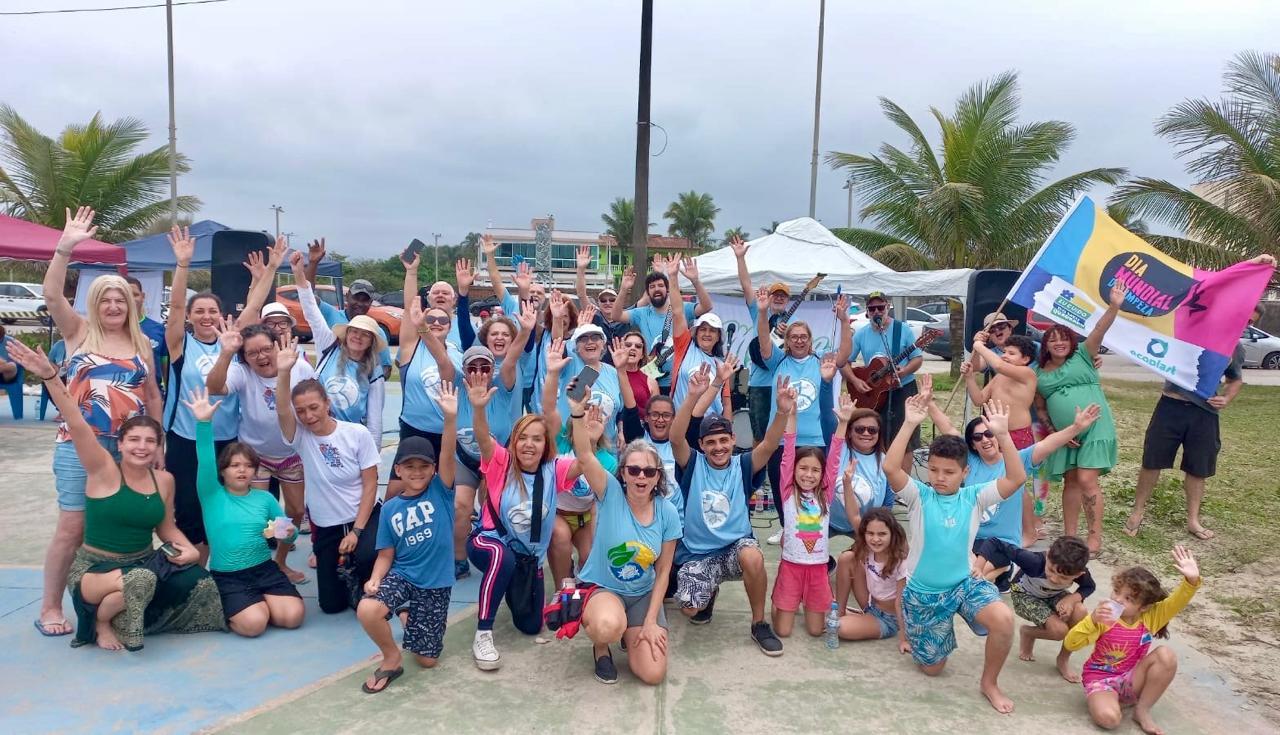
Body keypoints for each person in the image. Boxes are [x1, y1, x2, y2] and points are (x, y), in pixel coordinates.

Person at [8, 339, 224, 650]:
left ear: (158, 447)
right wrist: (50, 377)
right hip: (97, 570)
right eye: (133, 439)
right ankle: (99, 620)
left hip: (143, 562)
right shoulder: (103, 470)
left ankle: (128, 612)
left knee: (200, 582)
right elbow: (77, 422)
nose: (141, 447)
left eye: (150, 441)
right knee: (141, 582)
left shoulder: (164, 480)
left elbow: (167, 529)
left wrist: (186, 549)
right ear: (119, 444)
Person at [36, 206, 163, 638]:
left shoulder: (142, 342)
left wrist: (157, 445)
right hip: (79, 444)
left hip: (128, 450)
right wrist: (65, 246)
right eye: (105, 299)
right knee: (72, 526)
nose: (113, 305)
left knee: (110, 528)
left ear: (130, 304)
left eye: (120, 299)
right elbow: (52, 295)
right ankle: (51, 606)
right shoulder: (78, 331)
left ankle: (107, 601)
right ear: (95, 303)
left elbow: (152, 396)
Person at [884, 396, 1026, 714]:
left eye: (948, 471)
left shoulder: (975, 496)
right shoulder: (919, 495)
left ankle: (989, 683)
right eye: (933, 469)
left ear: (965, 473)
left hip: (963, 585)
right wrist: (909, 423)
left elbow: (1016, 479)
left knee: (1004, 619)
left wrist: (1003, 436)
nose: (939, 477)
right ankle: (928, 635)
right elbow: (891, 467)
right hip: (924, 595)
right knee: (934, 668)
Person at [1126, 256, 1276, 540]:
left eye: (1250, 321)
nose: (1243, 322)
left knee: (1198, 468)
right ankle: (1137, 511)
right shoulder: (1193, 328)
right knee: (1152, 461)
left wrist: (1228, 398)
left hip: (1205, 413)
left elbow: (1235, 379)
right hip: (1170, 406)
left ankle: (1193, 520)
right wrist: (1255, 263)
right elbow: (1210, 286)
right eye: (1242, 314)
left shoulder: (1234, 348)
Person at [165, 227, 281, 563]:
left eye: (212, 311)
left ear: (221, 315)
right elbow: (173, 308)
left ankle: (233, 562)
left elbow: (255, 306)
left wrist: (270, 270)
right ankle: (195, 570)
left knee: (230, 503)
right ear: (190, 316)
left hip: (227, 440)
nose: (205, 317)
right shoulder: (180, 343)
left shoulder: (230, 339)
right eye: (198, 311)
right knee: (189, 507)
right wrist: (183, 264)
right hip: (187, 439)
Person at [670, 364, 792, 656]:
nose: (718, 447)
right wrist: (691, 397)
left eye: (723, 440)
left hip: (735, 548)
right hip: (698, 553)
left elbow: (771, 444)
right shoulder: (692, 464)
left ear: (733, 440)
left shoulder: (743, 464)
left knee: (753, 557)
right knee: (689, 608)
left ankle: (758, 623)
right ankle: (708, 593)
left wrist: (782, 412)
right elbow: (675, 439)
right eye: (710, 442)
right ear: (701, 445)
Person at [465, 370, 577, 671]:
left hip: (527, 560)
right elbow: (482, 439)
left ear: (546, 444)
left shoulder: (555, 470)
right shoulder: (501, 462)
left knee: (531, 626)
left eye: (537, 439)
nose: (529, 445)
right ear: (513, 442)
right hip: (487, 542)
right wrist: (478, 408)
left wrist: (580, 420)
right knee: (500, 556)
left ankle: (508, 587)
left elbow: (586, 462)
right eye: (522, 438)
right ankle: (483, 633)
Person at [571, 393, 682, 685]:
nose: (641, 477)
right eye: (633, 470)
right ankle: (602, 646)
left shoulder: (667, 512)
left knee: (653, 674)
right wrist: (577, 415)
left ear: (658, 476)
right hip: (605, 588)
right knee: (607, 626)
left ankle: (630, 630)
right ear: (623, 474)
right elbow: (584, 456)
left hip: (642, 595)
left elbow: (663, 571)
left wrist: (650, 622)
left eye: (648, 471)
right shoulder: (609, 492)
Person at [356, 384, 459, 694]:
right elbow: (386, 554)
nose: (416, 472)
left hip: (436, 583)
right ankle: (391, 656)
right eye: (409, 467)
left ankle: (405, 613)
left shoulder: (442, 491)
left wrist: (450, 419)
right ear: (397, 469)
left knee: (427, 659)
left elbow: (448, 453)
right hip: (403, 575)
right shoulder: (390, 509)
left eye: (423, 466)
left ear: (433, 470)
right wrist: (375, 579)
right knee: (367, 609)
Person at [184, 388, 305, 637]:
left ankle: (259, 602)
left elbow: (286, 534)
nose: (242, 471)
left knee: (293, 617)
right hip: (229, 576)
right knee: (254, 625)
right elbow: (205, 460)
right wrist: (204, 423)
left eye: (249, 466)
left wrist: (289, 534)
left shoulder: (265, 498)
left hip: (264, 569)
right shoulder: (212, 494)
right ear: (223, 471)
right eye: (235, 465)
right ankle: (243, 607)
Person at [275, 337, 382, 614]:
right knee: (331, 606)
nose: (308, 416)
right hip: (328, 525)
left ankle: (372, 570)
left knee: (368, 557)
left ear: (327, 403)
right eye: (301, 411)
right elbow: (283, 410)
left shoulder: (356, 434)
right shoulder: (300, 437)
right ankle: (349, 575)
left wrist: (358, 531)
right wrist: (284, 371)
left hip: (363, 518)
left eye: (314, 407)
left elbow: (371, 485)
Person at [205, 319, 316, 583]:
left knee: (296, 511)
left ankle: (280, 561)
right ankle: (256, 563)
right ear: (245, 357)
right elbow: (214, 388)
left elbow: (315, 400)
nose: (261, 356)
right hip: (256, 456)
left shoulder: (299, 367)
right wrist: (226, 353)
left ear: (277, 346)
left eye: (266, 349)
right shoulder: (242, 371)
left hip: (291, 454)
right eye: (252, 353)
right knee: (254, 514)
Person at [1064, 546, 1202, 735]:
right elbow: (1071, 643)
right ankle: (1113, 701)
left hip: (1133, 677)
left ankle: (1142, 710)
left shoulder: (1151, 617)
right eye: (1117, 591)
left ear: (1144, 607)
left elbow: (1177, 601)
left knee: (1166, 655)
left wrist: (1191, 581)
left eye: (1128, 598)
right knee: (1109, 720)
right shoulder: (1104, 616)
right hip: (1101, 679)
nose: (1118, 600)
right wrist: (1092, 621)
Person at [450, 286, 537, 580]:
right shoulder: (471, 370)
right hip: (465, 452)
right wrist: (425, 326)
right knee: (462, 506)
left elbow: (513, 357)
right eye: (493, 334)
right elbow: (447, 350)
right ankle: (459, 558)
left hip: (500, 451)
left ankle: (493, 553)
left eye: (505, 334)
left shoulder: (509, 370)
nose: (500, 338)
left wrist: (525, 329)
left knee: (492, 508)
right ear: (483, 340)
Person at [756, 287, 851, 545]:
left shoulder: (822, 361)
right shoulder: (777, 361)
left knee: (813, 489)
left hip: (814, 438)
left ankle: (811, 531)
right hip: (781, 438)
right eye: (793, 337)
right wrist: (763, 312)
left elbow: (844, 354)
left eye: (803, 337)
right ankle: (787, 527)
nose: (798, 340)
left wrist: (843, 321)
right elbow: (764, 343)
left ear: (810, 340)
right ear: (787, 341)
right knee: (780, 487)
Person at [1034, 282, 1125, 554]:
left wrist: (1114, 305)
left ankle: (1095, 536)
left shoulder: (1084, 356)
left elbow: (1099, 329)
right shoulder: (1039, 373)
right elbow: (1040, 408)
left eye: (1064, 337)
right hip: (1066, 434)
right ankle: (1070, 536)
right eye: (1053, 339)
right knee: (1071, 481)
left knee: (1086, 480)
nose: (1059, 342)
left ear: (1071, 341)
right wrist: (1055, 431)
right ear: (1046, 345)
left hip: (1096, 425)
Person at [290, 251, 386, 448]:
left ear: (372, 341)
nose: (358, 337)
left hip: (349, 440)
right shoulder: (329, 345)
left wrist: (373, 461)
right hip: (316, 434)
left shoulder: (374, 371)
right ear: (347, 332)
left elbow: (375, 421)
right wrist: (299, 273)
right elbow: (310, 307)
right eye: (354, 332)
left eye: (365, 334)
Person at [390, 253, 464, 501]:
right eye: (429, 318)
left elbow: (446, 370)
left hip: (444, 432)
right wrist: (411, 272)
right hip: (413, 429)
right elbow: (410, 305)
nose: (435, 322)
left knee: (441, 493)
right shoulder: (412, 346)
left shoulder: (454, 353)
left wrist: (424, 327)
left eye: (442, 319)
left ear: (450, 326)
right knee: (396, 491)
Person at [973, 535, 1094, 683]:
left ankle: (1063, 659)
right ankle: (1029, 633)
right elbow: (994, 542)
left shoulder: (1079, 571)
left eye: (1063, 578)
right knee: (1059, 631)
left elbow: (1089, 586)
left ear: (1079, 574)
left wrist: (1072, 599)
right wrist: (979, 567)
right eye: (1051, 570)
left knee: (1080, 611)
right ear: (1048, 555)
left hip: (1053, 595)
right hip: (1024, 595)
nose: (1054, 579)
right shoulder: (1033, 561)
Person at [769, 394, 842, 638]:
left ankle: (802, 603)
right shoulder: (788, 491)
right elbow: (788, 452)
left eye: (815, 470)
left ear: (822, 476)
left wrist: (843, 423)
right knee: (783, 631)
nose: (808, 474)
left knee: (815, 631)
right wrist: (792, 416)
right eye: (803, 468)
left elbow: (834, 460)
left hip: (818, 569)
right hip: (791, 565)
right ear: (794, 471)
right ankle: (778, 601)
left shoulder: (825, 494)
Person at [541, 345, 614, 584]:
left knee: (589, 560)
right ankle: (562, 588)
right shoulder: (560, 440)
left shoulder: (608, 461)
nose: (588, 417)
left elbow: (604, 503)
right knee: (559, 538)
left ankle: (582, 586)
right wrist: (552, 374)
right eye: (585, 410)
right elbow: (549, 408)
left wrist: (591, 442)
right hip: (559, 513)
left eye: (596, 414)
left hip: (586, 517)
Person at [962, 332, 1040, 545]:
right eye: (1004, 351)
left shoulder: (1027, 374)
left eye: (1011, 353)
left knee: (1018, 484)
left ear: (1025, 359)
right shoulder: (999, 376)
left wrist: (978, 345)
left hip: (1018, 436)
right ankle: (1000, 522)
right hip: (995, 434)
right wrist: (970, 377)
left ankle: (1030, 531)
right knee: (1000, 481)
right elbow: (979, 399)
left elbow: (997, 364)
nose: (1005, 355)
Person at [847, 290, 924, 474]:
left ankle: (903, 486)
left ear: (887, 307)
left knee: (905, 438)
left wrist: (905, 370)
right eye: (872, 308)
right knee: (878, 435)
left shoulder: (902, 330)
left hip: (902, 389)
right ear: (867, 311)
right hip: (874, 393)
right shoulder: (861, 334)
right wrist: (856, 381)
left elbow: (917, 359)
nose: (876, 312)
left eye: (880, 307)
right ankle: (881, 480)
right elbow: (844, 363)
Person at [610, 254, 712, 392]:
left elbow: (706, 306)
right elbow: (616, 315)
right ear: (648, 292)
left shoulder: (682, 308)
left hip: (678, 381)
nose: (656, 289)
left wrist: (695, 280)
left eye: (660, 285)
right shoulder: (642, 313)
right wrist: (623, 289)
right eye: (652, 287)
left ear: (667, 289)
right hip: (649, 379)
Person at [729, 235, 792, 443]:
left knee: (782, 436)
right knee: (759, 437)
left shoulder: (796, 323)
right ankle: (756, 474)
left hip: (783, 385)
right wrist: (740, 258)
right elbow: (746, 284)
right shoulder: (758, 310)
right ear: (770, 297)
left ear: (788, 299)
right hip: (759, 384)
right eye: (776, 294)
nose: (779, 298)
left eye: (783, 295)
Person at [831, 403, 892, 615]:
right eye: (859, 429)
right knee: (793, 540)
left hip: (862, 526)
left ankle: (872, 601)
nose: (866, 433)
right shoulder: (839, 451)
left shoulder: (885, 462)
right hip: (828, 519)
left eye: (872, 430)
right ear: (850, 432)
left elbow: (888, 504)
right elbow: (834, 430)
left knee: (874, 554)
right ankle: (823, 564)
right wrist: (843, 421)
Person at [303, 238, 394, 378]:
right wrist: (313, 263)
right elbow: (307, 296)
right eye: (356, 298)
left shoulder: (377, 332)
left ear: (371, 303)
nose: (360, 303)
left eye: (365, 300)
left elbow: (386, 368)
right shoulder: (330, 314)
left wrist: (365, 380)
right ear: (347, 297)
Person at [837, 508, 909, 651]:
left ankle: (849, 619)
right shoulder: (867, 548)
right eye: (870, 533)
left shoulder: (901, 561)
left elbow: (900, 604)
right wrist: (846, 484)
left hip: (888, 619)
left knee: (839, 627)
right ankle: (840, 611)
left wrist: (904, 640)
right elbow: (854, 514)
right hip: (870, 605)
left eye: (882, 534)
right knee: (847, 558)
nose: (875, 539)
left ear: (892, 534)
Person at [669, 257, 731, 416]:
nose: (707, 334)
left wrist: (728, 428)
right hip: (682, 423)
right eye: (703, 329)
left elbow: (726, 401)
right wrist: (673, 276)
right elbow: (677, 312)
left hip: (710, 428)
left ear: (718, 337)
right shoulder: (684, 347)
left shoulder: (721, 364)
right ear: (695, 333)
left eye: (712, 331)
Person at [124, 275, 168, 394]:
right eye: (125, 295)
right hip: (120, 396)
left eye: (135, 294)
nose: (131, 299)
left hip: (152, 398)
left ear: (143, 297)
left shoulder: (158, 330)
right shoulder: (108, 329)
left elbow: (166, 371)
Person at [616, 330, 660, 418]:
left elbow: (655, 415)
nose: (633, 348)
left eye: (638, 346)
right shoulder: (610, 374)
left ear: (642, 355)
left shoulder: (651, 382)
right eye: (628, 345)